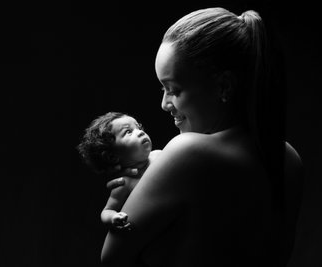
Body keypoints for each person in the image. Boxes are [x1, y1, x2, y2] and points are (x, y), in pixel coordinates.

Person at [101, 7, 304, 267]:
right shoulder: (289, 159)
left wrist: (136, 190)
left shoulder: (186, 152)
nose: (164, 103)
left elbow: (111, 259)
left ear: (223, 86)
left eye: (173, 89)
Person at [77, 111, 161, 230]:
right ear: (112, 156)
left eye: (138, 127)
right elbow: (107, 211)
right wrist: (114, 217)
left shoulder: (160, 154)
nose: (140, 132)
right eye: (128, 132)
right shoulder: (124, 183)